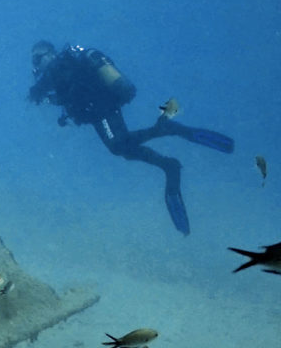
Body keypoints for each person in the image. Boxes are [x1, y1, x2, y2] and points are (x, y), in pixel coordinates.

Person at [27, 40, 234, 235]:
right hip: (98, 111)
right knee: (122, 148)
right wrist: (47, 97)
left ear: (50, 53)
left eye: (38, 58)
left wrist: (39, 93)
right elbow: (63, 93)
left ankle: (166, 137)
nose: (36, 64)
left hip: (101, 108)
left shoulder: (61, 64)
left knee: (118, 146)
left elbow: (60, 88)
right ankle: (167, 160)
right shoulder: (61, 69)